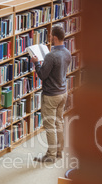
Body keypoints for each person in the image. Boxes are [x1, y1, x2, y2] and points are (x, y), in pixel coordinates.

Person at [31, 25, 72, 163]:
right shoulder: (67, 52)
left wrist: (36, 63)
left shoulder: (51, 56)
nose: (50, 39)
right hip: (63, 92)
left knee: (49, 126)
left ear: (54, 37)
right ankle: (59, 152)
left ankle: (51, 155)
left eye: (51, 37)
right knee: (58, 122)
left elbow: (42, 75)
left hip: (51, 95)